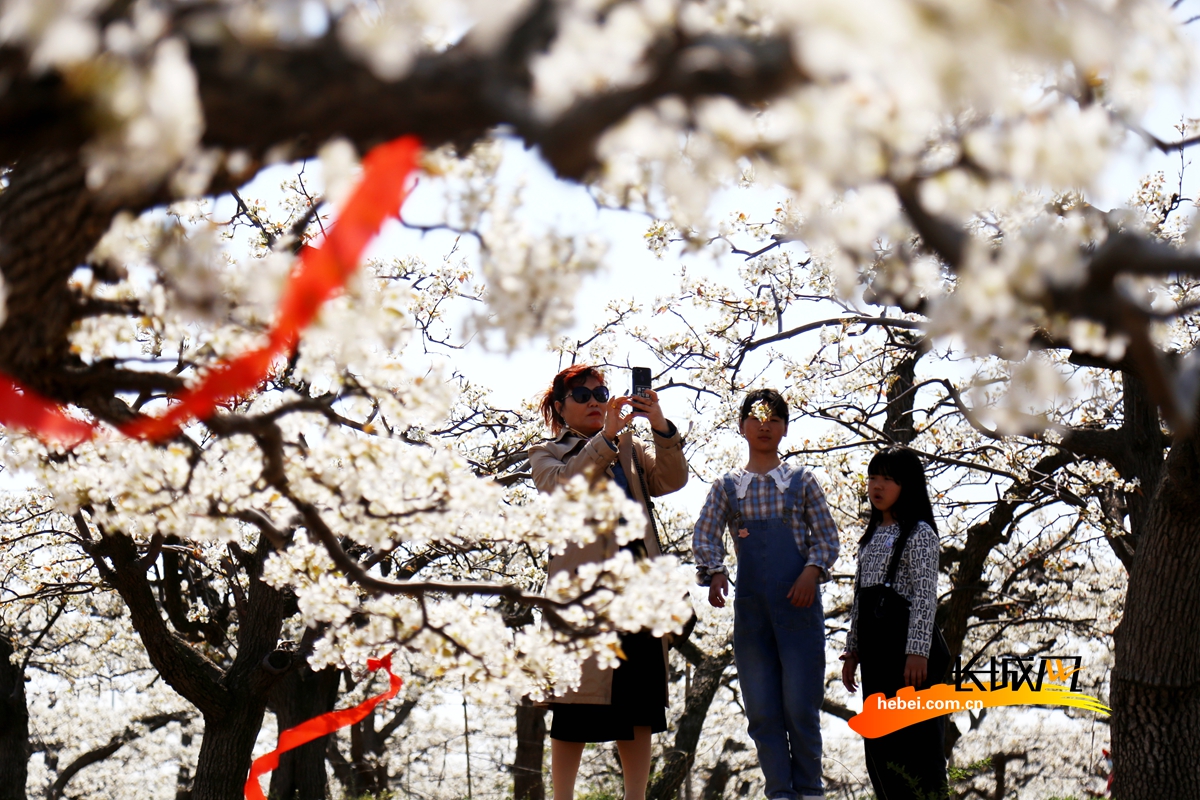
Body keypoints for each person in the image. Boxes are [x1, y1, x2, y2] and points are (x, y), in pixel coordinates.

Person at [528, 364, 688, 800]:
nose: (596, 400)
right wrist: (605, 441)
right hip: (585, 598)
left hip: (639, 591)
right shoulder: (547, 453)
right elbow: (564, 489)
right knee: (574, 707)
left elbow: (671, 480)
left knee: (640, 706)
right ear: (560, 408)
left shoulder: (628, 448)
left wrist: (657, 425)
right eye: (582, 395)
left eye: (601, 392)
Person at [692, 388, 840, 800]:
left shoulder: (801, 481)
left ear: (785, 428)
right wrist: (716, 571)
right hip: (752, 614)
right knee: (760, 710)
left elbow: (827, 538)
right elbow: (705, 533)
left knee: (800, 707)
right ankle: (779, 792)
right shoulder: (727, 487)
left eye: (773, 418)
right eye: (755, 418)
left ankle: (809, 789)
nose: (764, 425)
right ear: (741, 427)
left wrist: (812, 572)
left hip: (799, 609)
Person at [840, 446, 949, 800]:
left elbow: (924, 596)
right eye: (873, 477)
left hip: (910, 661)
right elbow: (861, 598)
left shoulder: (920, 534)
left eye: (888, 478)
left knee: (917, 750)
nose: (877, 485)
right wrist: (852, 650)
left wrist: (918, 652)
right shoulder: (869, 538)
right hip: (876, 657)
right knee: (881, 750)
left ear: (908, 485)